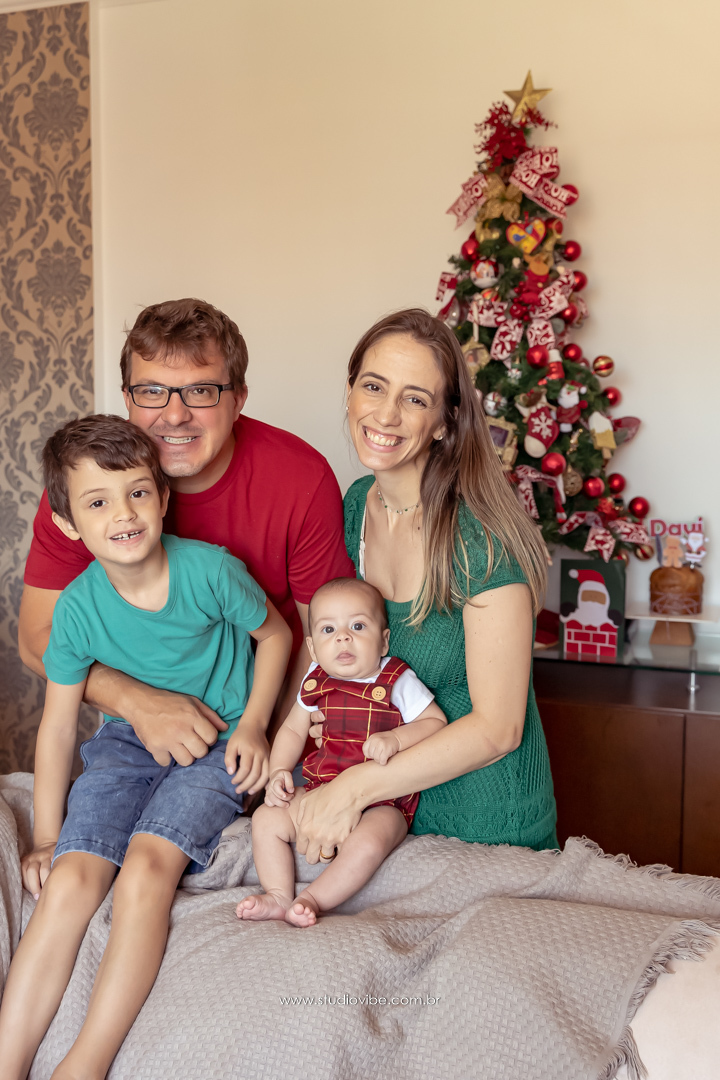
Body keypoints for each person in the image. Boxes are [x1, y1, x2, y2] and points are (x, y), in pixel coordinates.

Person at [0, 414, 293, 1080]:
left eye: (137, 493)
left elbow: (275, 636)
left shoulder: (211, 572)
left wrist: (255, 725)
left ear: (162, 498)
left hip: (219, 742)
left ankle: (85, 1064)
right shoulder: (77, 610)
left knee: (145, 869)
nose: (123, 514)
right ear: (68, 523)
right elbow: (58, 728)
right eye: (98, 502)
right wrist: (45, 838)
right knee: (70, 878)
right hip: (124, 746)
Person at [18, 298, 354, 764]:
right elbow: (37, 638)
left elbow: (322, 636)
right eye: (152, 390)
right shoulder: (85, 490)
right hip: (139, 739)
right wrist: (139, 704)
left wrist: (267, 747)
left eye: (200, 390)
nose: (174, 415)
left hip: (270, 725)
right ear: (127, 397)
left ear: (238, 398)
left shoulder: (301, 478)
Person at [291, 308, 557, 864]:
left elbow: (499, 729)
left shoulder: (480, 537)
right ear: (350, 392)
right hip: (382, 821)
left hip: (482, 821)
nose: (386, 414)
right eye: (373, 386)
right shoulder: (357, 505)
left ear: (443, 420)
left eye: (414, 398)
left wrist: (353, 789)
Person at [238, 576, 446, 927]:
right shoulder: (315, 679)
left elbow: (435, 722)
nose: (343, 638)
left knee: (371, 841)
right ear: (313, 647)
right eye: (328, 629)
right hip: (321, 789)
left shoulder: (395, 678)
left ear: (383, 640)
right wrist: (278, 772)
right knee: (266, 818)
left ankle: (313, 898)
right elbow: (292, 729)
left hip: (383, 801)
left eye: (358, 626)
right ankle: (278, 895)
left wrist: (396, 739)